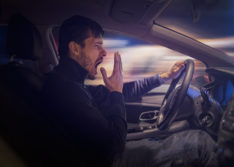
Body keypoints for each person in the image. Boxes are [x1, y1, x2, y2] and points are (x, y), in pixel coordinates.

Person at [41, 15, 217, 167]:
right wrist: (116, 94)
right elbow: (113, 143)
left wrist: (164, 77)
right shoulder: (65, 90)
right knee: (200, 143)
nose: (103, 52)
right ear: (75, 48)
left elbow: (123, 92)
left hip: (101, 155)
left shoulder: (72, 83)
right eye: (96, 45)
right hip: (106, 161)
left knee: (158, 143)